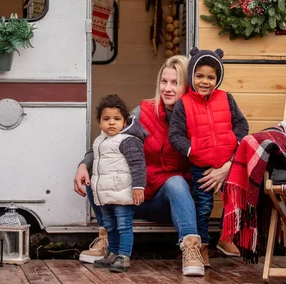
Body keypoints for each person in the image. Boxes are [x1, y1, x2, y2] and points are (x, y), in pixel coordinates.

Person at [75, 55, 209, 276]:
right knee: (94, 173)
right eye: (164, 82)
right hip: (131, 197)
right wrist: (83, 165)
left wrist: (224, 168)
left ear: (187, 85)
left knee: (175, 181)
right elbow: (106, 142)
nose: (167, 88)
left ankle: (191, 249)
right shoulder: (143, 111)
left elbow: (218, 147)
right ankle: (107, 238)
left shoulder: (196, 116)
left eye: (175, 83)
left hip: (165, 202)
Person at [169, 48, 249, 268]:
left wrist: (236, 145)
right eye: (199, 76)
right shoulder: (183, 104)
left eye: (211, 77)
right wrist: (192, 150)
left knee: (234, 201)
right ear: (192, 76)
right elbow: (175, 134)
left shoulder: (227, 98)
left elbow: (242, 124)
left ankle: (226, 237)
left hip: (229, 163)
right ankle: (203, 245)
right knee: (203, 207)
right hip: (201, 166)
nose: (205, 81)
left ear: (218, 78)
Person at [89, 94, 147, 273]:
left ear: (124, 121)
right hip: (106, 195)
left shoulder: (127, 140)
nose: (111, 123)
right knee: (109, 226)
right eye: (106, 119)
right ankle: (112, 253)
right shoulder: (100, 140)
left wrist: (138, 187)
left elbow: (138, 164)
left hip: (123, 193)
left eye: (117, 119)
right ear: (99, 123)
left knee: (123, 225)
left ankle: (123, 255)